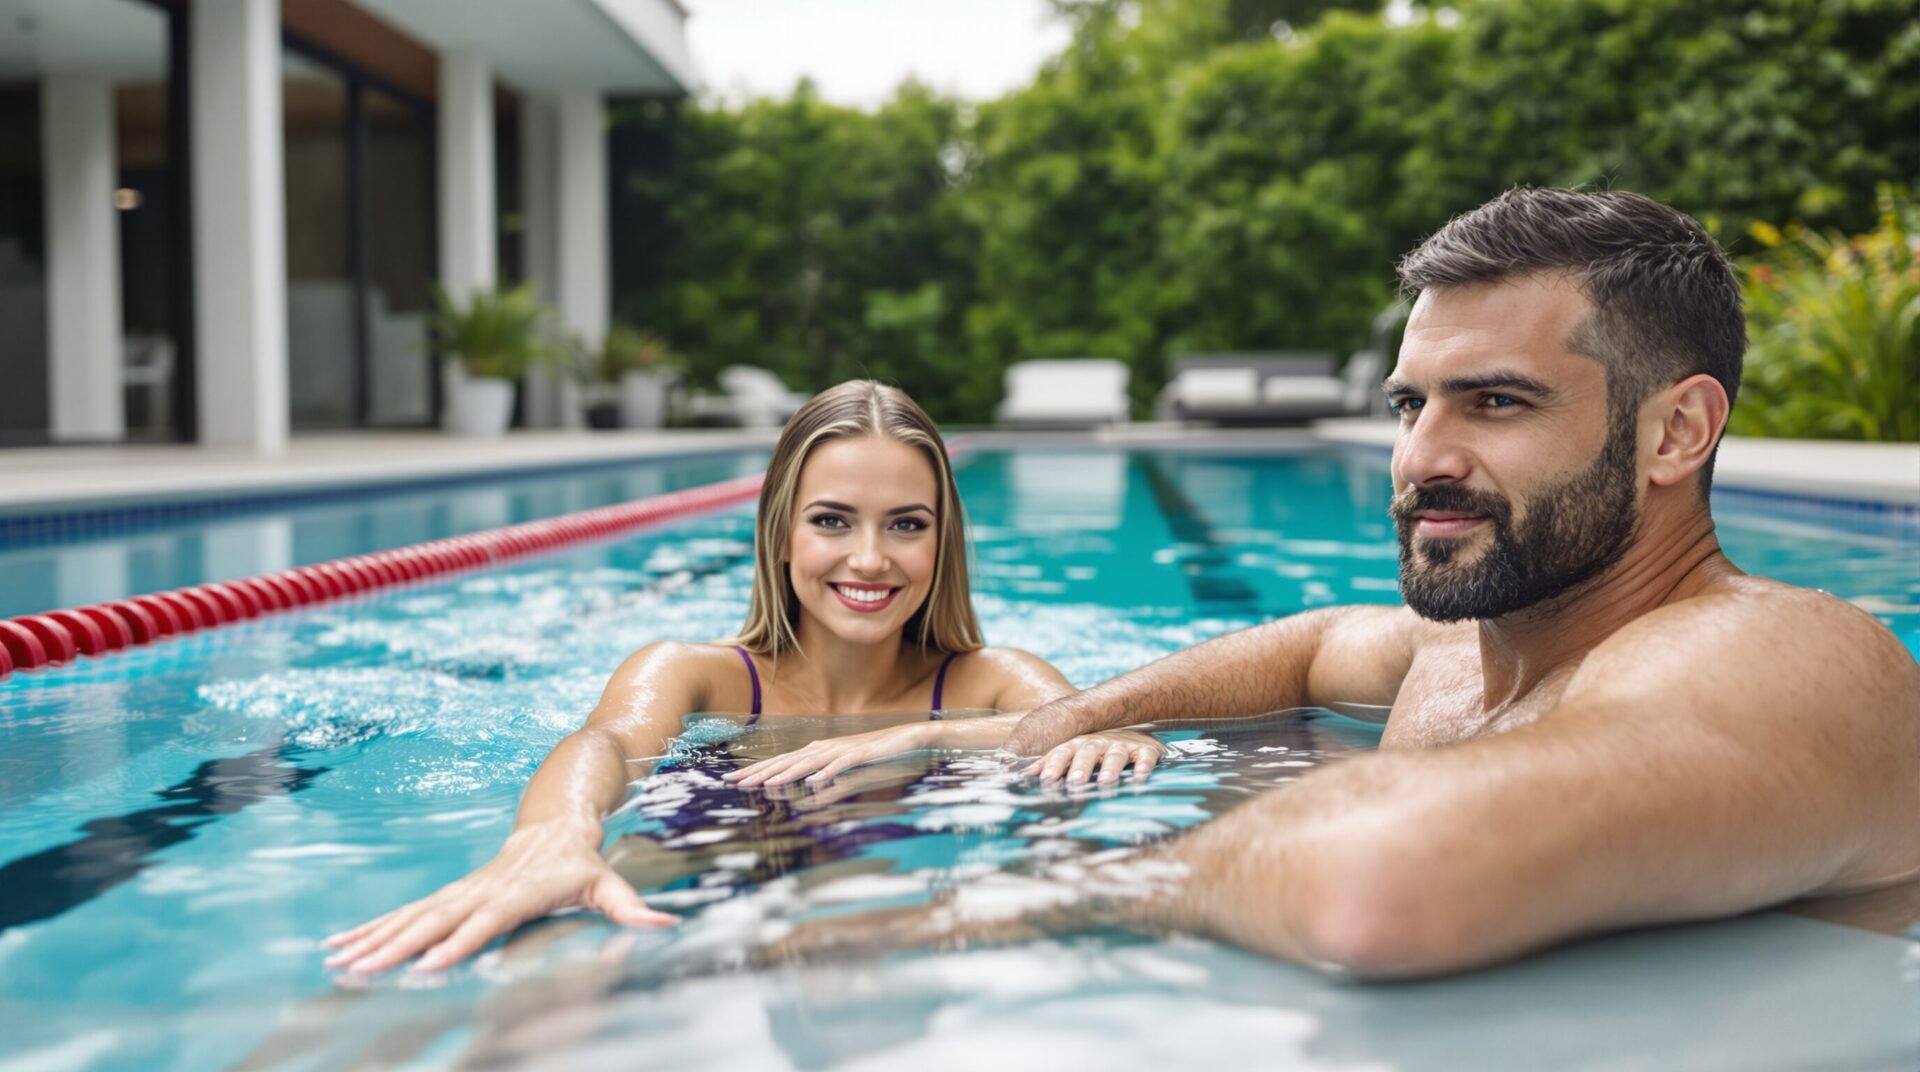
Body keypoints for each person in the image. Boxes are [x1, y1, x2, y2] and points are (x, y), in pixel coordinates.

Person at [813, 187, 1919, 979]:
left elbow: (1382, 876)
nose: (1422, 457)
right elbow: (1310, 644)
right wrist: (1068, 719)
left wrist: (1037, 897)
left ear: (1677, 429)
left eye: (1496, 402)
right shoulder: (1474, 643)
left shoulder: (1788, 658)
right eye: (1410, 404)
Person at [322, 380, 1159, 975]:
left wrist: (922, 736)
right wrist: (557, 836)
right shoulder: (694, 675)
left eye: (906, 525)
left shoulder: (988, 678)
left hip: (897, 889)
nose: (869, 559)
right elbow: (607, 744)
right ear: (781, 534)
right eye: (832, 521)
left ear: (943, 542)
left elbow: (1107, 729)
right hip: (703, 857)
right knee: (529, 959)